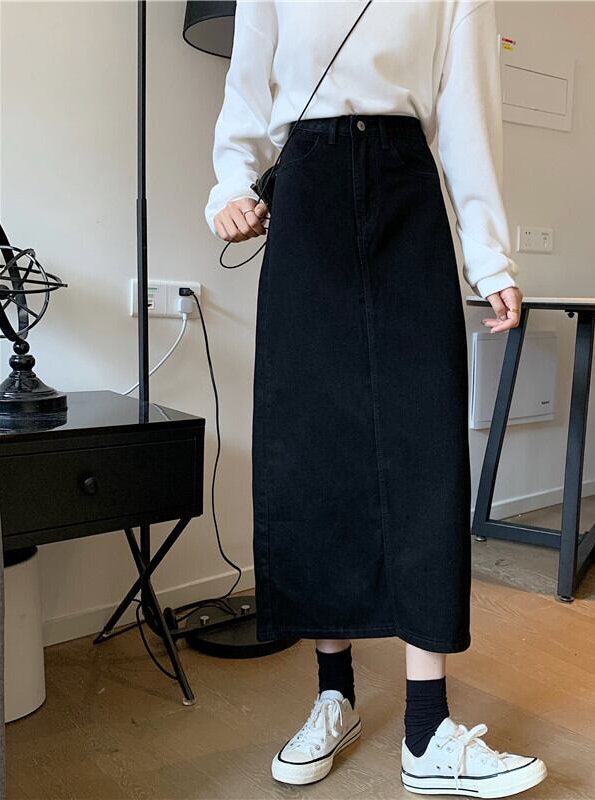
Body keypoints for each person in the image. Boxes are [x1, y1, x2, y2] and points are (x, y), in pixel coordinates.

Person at [205, 1, 546, 796]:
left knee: (426, 445)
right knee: (312, 448)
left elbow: (468, 115)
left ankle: (428, 729)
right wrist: (229, 183)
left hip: (406, 191)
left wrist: (491, 257)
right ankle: (334, 698)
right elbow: (247, 87)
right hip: (307, 194)